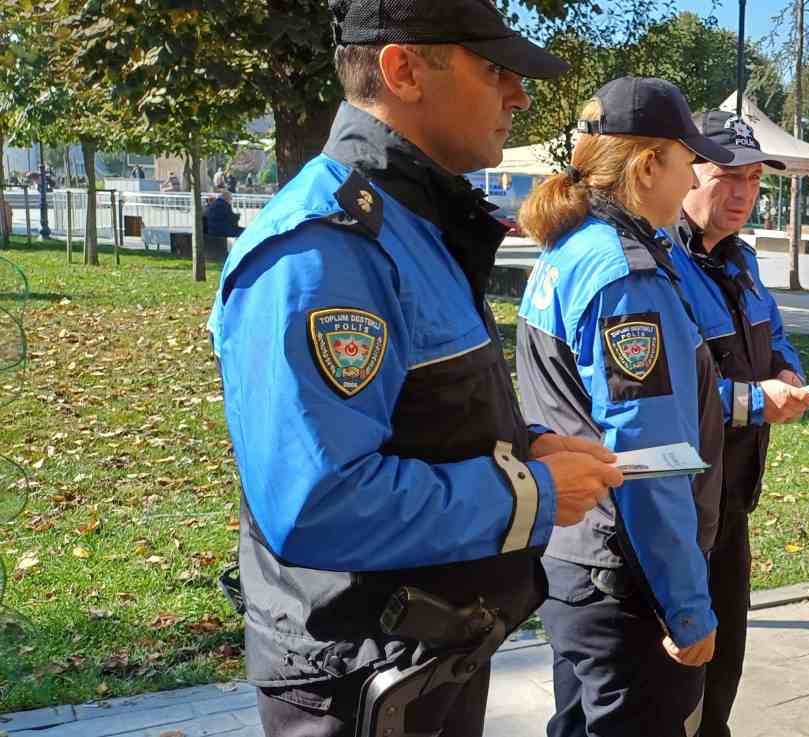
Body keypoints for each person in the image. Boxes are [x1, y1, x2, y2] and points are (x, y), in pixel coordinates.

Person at [207, 2, 623, 734]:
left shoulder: (414, 227)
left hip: (426, 658)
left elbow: (418, 413)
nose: (518, 95)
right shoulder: (323, 247)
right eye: (494, 69)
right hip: (359, 683)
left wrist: (524, 448)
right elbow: (316, 501)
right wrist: (530, 493)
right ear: (401, 70)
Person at [513, 76, 735, 737]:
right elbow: (648, 459)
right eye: (688, 158)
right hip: (627, 576)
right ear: (647, 166)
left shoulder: (568, 249)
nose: (697, 173)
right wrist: (688, 606)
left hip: (574, 557)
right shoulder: (625, 273)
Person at [665, 110, 809, 737]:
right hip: (675, 503)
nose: (742, 194)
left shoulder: (743, 260)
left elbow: (775, 335)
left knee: (726, 653)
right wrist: (755, 401)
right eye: (727, 175)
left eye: (754, 180)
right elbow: (668, 391)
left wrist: (792, 372)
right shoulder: (659, 263)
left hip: (733, 497)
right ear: (681, 171)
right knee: (675, 672)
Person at [202, 188, 245, 261]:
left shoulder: (214, 203)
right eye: (230, 198)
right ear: (226, 198)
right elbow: (231, 218)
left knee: (239, 231)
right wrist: (237, 216)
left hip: (211, 229)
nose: (230, 200)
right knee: (244, 232)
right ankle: (239, 253)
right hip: (220, 230)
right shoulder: (224, 205)